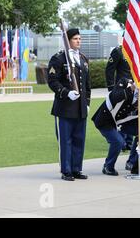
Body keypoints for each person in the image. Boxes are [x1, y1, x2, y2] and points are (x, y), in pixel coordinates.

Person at [48, 28, 91, 181]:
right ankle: (66, 170)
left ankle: (76, 169)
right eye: (75, 39)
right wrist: (66, 93)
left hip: (80, 108)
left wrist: (87, 103)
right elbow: (52, 81)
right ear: (68, 41)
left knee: (79, 139)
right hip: (65, 107)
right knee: (65, 141)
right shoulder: (59, 58)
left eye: (80, 38)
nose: (78, 41)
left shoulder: (83, 58)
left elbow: (87, 84)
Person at [91, 74, 140, 176]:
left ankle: (134, 164)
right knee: (118, 141)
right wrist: (132, 88)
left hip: (122, 122)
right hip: (106, 120)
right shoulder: (125, 83)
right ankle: (108, 166)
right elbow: (115, 96)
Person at [105, 43, 134, 151]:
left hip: (133, 88)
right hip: (121, 88)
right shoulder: (118, 51)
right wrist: (111, 88)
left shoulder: (136, 51)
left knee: (131, 114)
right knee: (119, 115)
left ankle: (129, 142)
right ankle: (121, 141)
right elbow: (109, 70)